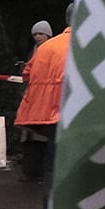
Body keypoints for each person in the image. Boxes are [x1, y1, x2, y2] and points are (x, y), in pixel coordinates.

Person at [15, 19, 70, 183]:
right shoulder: (80, 44)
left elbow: (26, 73)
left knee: (50, 154)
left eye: (40, 33)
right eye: (35, 34)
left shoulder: (44, 49)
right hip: (63, 107)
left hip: (42, 109)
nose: (37, 37)